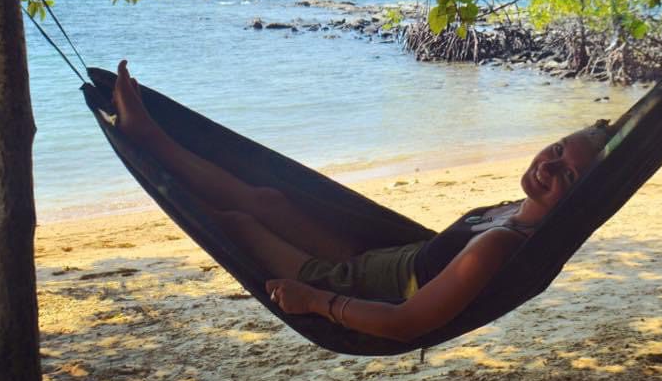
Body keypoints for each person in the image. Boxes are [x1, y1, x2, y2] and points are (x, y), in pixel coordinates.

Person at [113, 60, 616, 342]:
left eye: (566, 172)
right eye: (554, 150)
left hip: (365, 288)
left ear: (580, 197)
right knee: (266, 198)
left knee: (237, 223)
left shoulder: (504, 243)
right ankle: (154, 138)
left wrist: (317, 302)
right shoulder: (515, 208)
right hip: (375, 257)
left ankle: (153, 151)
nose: (546, 167)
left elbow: (408, 322)